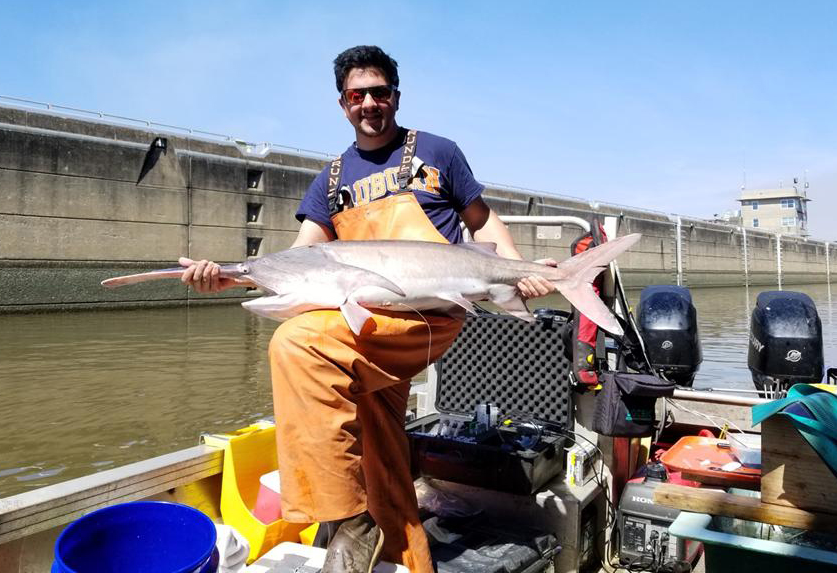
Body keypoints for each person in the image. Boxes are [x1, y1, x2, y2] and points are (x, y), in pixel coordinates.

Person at [180, 45, 556, 573]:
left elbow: (483, 222)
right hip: (363, 318)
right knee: (379, 449)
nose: (370, 104)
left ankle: (350, 522)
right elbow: (298, 257)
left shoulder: (437, 152)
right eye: (358, 95)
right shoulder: (329, 180)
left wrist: (517, 271)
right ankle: (393, 547)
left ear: (396, 96)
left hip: (426, 317)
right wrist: (228, 274)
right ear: (343, 103)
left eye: (380, 92)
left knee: (297, 344)